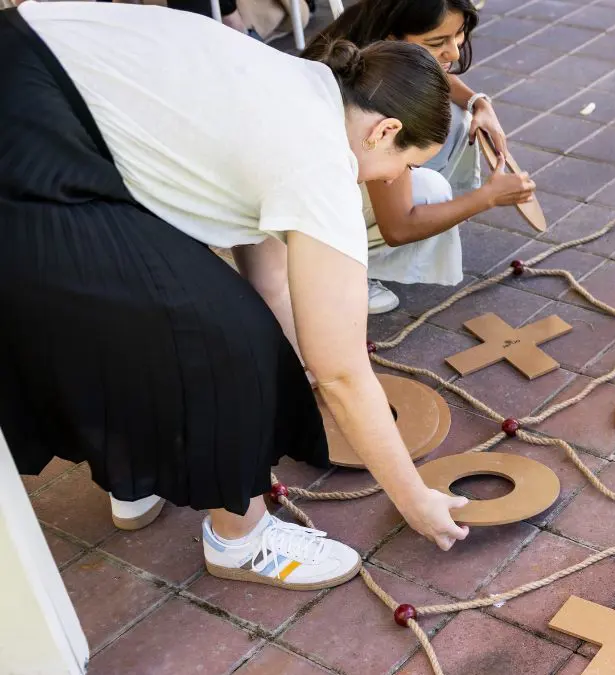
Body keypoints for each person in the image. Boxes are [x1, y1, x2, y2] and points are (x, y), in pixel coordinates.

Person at [0, 1, 472, 591]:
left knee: (163, 310)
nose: (381, 183)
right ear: (384, 130)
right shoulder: (319, 159)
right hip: (27, 127)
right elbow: (343, 371)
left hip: (34, 81)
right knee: (224, 338)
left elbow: (270, 279)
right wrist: (415, 499)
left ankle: (137, 473)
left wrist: (300, 382)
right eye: (396, 168)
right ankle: (240, 541)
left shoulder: (303, 85)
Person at [304, 0, 536, 315]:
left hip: (317, 186)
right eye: (437, 43)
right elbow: (398, 227)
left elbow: (437, 78)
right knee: (428, 190)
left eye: (459, 35)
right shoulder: (380, 99)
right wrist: (487, 198)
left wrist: (479, 102)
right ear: (392, 39)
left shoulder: (366, 43)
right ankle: (345, 269)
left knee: (457, 115)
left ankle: (412, 217)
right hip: (305, 213)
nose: (454, 53)